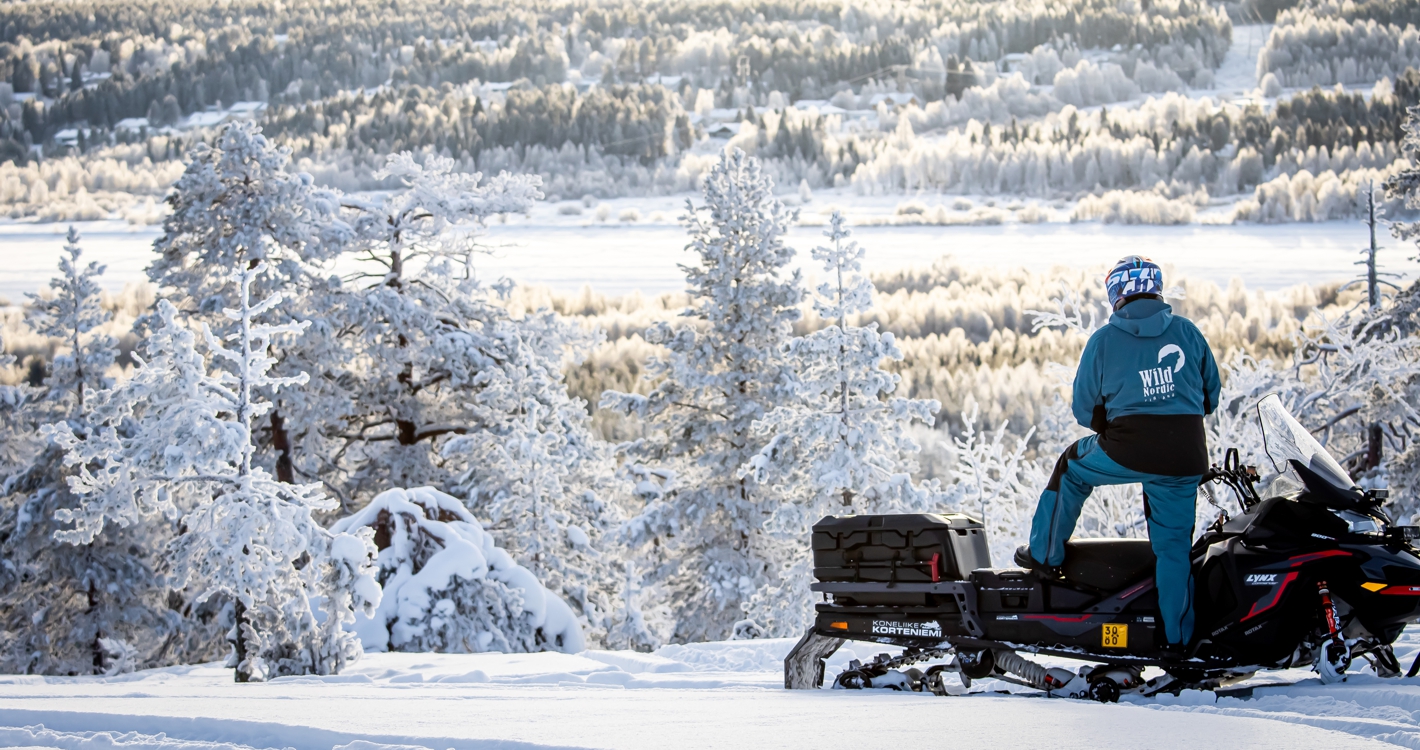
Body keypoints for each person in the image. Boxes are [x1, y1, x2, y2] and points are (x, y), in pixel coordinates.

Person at [1015, 256, 1220, 651]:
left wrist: (1115, 428)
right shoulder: (1187, 332)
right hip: (1186, 454)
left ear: (1116, 293)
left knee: (1072, 468)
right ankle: (1178, 642)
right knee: (1174, 550)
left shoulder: (1104, 340)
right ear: (1156, 288)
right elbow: (1210, 394)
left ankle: (1044, 553)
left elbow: (1083, 409)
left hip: (1127, 446)